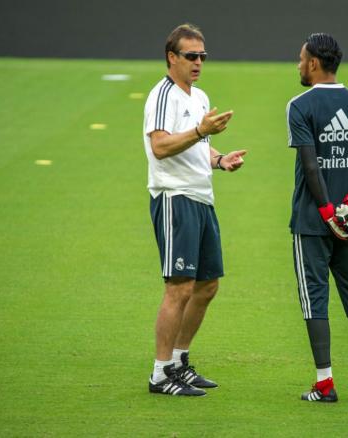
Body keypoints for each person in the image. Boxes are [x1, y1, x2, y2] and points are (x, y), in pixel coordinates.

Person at [143, 23, 246, 397]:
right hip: (175, 198)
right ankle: (159, 373)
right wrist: (202, 133)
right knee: (179, 287)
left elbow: (197, 147)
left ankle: (179, 362)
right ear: (172, 57)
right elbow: (160, 146)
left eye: (203, 55)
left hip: (202, 199)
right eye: (191, 56)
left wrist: (220, 160)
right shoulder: (162, 95)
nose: (199, 62)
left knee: (207, 286)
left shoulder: (199, 97)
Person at [286, 33, 348, 402]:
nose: (297, 64)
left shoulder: (300, 105)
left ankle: (325, 385)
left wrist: (327, 213)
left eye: (300, 58)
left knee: (315, 299)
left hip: (312, 223)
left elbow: (311, 167)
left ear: (312, 63)